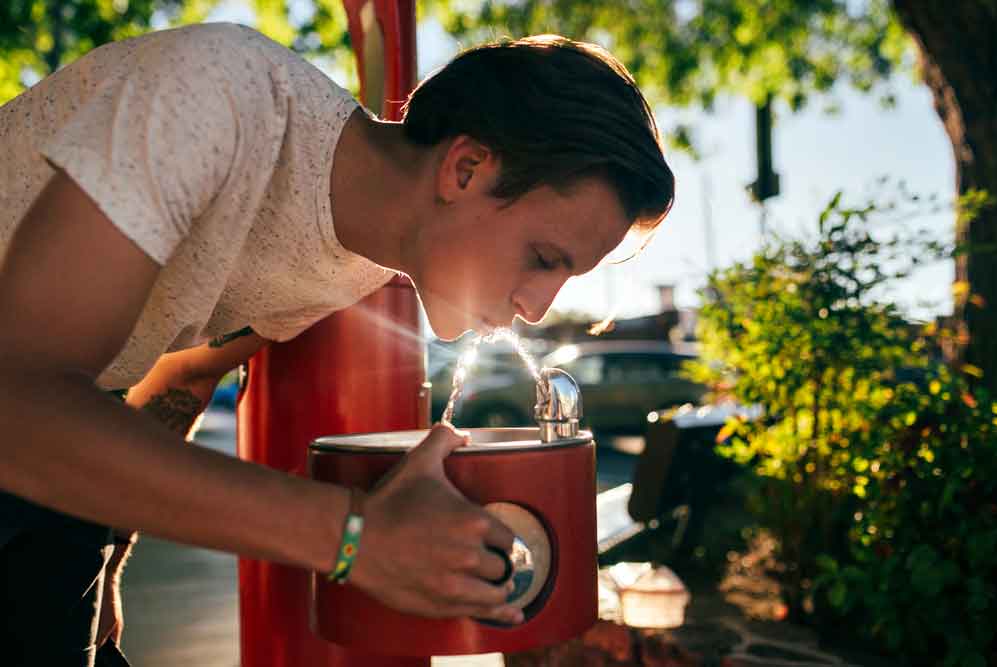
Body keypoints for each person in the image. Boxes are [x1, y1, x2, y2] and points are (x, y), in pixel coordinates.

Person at [0, 21, 674, 666]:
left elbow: (187, 370)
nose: (536, 307)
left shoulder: (363, 258)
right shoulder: (215, 95)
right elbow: (16, 405)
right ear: (464, 168)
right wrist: (357, 535)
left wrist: (113, 549)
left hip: (63, 455)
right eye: (543, 257)